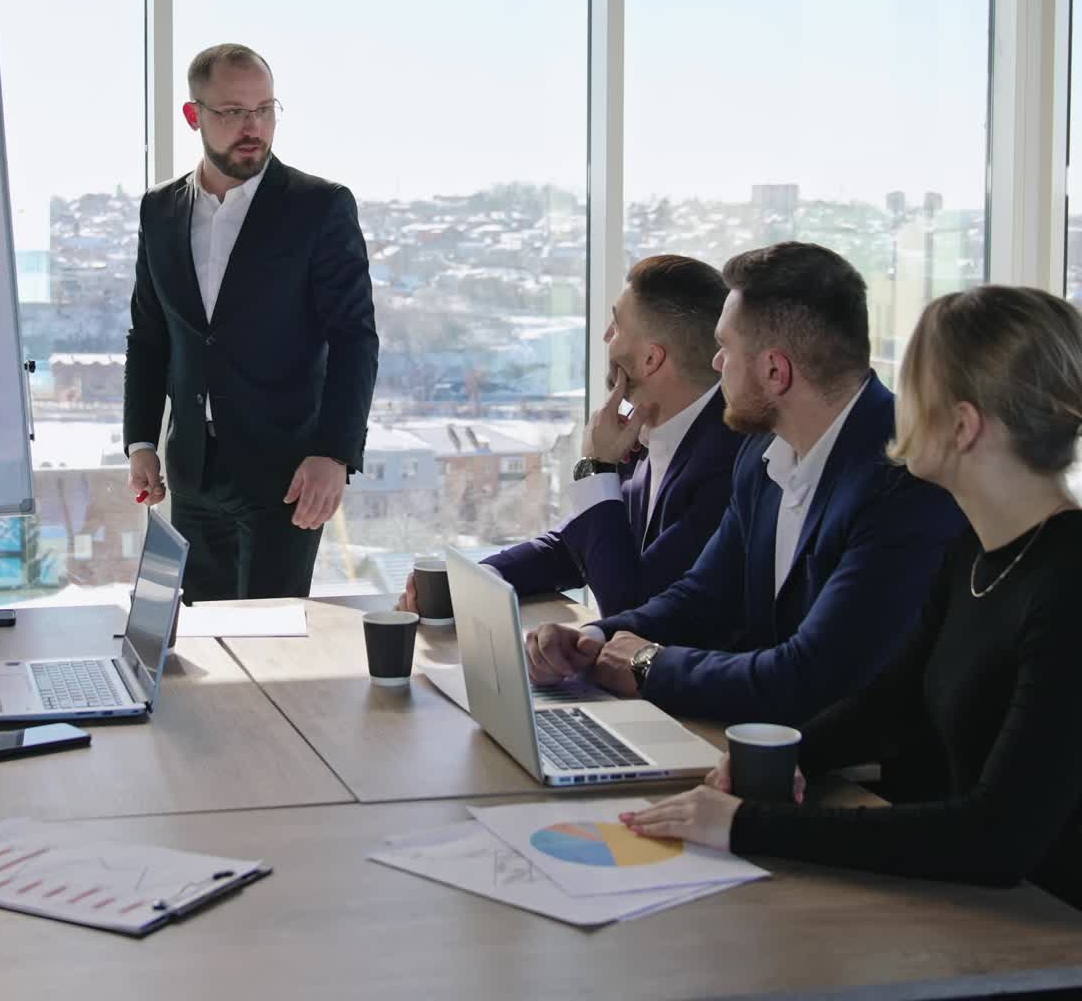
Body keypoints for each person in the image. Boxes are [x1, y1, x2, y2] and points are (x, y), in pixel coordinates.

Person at [619, 285, 1082, 909]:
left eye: (915, 388)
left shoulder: (1067, 583)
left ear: (964, 426)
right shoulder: (972, 554)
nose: (894, 405)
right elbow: (890, 704)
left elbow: (994, 836)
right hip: (995, 917)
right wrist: (779, 759)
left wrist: (742, 825)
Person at [524, 241, 966, 725]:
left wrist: (649, 664)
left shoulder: (905, 480)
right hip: (762, 744)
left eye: (725, 348)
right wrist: (595, 640)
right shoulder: (760, 452)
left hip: (862, 778)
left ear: (775, 371)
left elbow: (810, 675)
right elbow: (705, 596)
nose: (716, 365)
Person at [124, 43, 378, 601]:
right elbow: (149, 337)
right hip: (191, 470)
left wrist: (335, 453)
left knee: (272, 645)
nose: (253, 126)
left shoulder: (320, 206)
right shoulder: (160, 211)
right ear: (195, 116)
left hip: (288, 474)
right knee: (199, 646)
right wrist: (141, 441)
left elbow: (354, 339)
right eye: (234, 112)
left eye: (265, 109)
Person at [397, 255, 743, 618]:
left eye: (617, 324)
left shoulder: (728, 464)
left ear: (650, 360)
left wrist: (596, 468)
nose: (606, 335)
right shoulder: (645, 427)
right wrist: (474, 581)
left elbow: (633, 606)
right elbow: (577, 545)